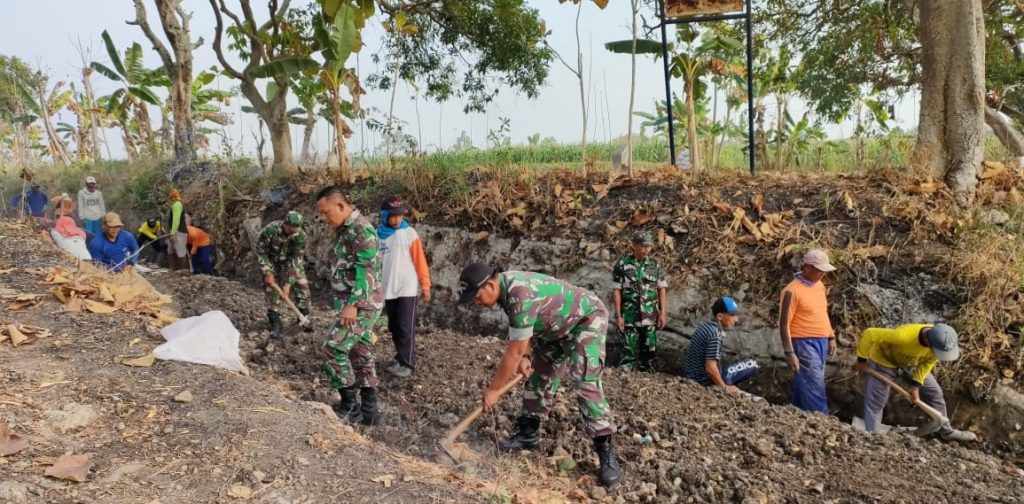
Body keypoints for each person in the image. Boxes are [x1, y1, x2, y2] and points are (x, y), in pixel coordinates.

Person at [458, 263, 622, 487]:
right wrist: (526, 356)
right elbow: (524, 331)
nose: (476, 303)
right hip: (554, 327)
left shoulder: (519, 294)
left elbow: (513, 352)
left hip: (585, 320)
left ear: (489, 285)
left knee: (585, 382)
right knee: (540, 373)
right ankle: (528, 435)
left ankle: (606, 454)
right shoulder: (506, 289)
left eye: (476, 297)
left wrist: (494, 389)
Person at [315, 186, 384, 426]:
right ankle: (370, 412)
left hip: (361, 305)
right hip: (351, 303)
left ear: (341, 206)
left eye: (326, 212)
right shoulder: (346, 229)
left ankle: (350, 408)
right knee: (360, 352)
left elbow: (367, 273)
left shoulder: (361, 230)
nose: (323, 218)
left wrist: (353, 305)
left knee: (333, 348)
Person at [855, 323, 976, 442]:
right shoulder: (902, 336)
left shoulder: (938, 344)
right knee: (876, 402)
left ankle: (946, 431)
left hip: (910, 363)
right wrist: (862, 360)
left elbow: (928, 362)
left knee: (935, 393)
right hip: (884, 360)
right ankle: (874, 438)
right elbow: (869, 333)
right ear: (928, 342)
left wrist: (915, 385)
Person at [377, 196, 431, 378]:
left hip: (406, 287)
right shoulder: (378, 235)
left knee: (405, 326)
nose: (398, 219)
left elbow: (420, 261)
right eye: (393, 216)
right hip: (388, 288)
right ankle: (400, 357)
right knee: (393, 326)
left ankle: (407, 363)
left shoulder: (409, 234)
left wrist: (425, 285)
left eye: (400, 216)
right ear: (384, 216)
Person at [778, 249, 837, 414]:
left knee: (805, 382)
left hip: (821, 341)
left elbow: (822, 312)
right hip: (803, 343)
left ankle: (796, 414)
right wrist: (789, 352)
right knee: (814, 385)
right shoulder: (791, 291)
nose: (822, 275)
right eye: (819, 271)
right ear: (807, 267)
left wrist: (830, 336)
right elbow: (783, 324)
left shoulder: (819, 286)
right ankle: (822, 420)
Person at [612, 231, 668, 371]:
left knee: (649, 353)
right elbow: (617, 290)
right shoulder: (622, 264)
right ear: (634, 245)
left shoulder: (655, 265)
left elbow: (661, 289)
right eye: (643, 246)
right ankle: (624, 381)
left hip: (650, 315)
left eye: (649, 246)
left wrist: (662, 313)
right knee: (628, 352)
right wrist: (618, 316)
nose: (646, 250)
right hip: (629, 315)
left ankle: (648, 381)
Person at [683, 297, 759, 394]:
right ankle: (730, 388)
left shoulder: (706, 326)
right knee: (752, 364)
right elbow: (710, 368)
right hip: (703, 381)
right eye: (732, 315)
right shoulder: (715, 334)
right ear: (720, 316)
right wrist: (724, 388)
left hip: (693, 376)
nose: (735, 320)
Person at [257, 211, 311, 338]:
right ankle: (276, 323)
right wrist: (267, 272)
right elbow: (261, 253)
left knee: (302, 284)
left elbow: (296, 259)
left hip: (290, 264)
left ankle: (303, 317)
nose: (293, 232)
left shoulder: (301, 236)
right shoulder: (270, 231)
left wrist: (288, 283)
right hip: (272, 262)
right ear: (285, 225)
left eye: (296, 230)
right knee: (271, 290)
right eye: (291, 229)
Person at [166, 188, 188, 272]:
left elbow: (176, 220)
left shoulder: (177, 205)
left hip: (179, 232)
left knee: (181, 251)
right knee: (170, 251)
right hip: (175, 231)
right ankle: (172, 269)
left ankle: (182, 271)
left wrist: (173, 233)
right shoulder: (175, 205)